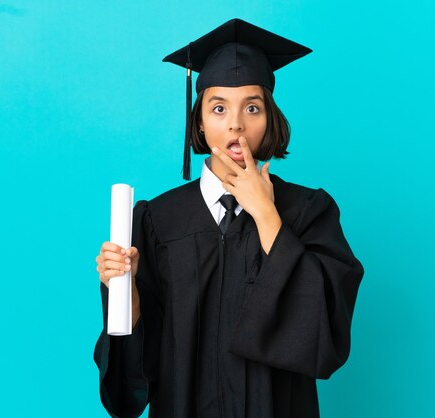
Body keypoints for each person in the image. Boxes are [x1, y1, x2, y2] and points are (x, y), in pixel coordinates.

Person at [93, 18, 364, 418]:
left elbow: (324, 334)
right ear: (198, 120)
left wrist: (267, 214)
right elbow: (136, 373)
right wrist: (126, 292)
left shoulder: (308, 212)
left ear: (270, 117)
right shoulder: (157, 221)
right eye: (218, 107)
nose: (235, 124)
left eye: (252, 108)